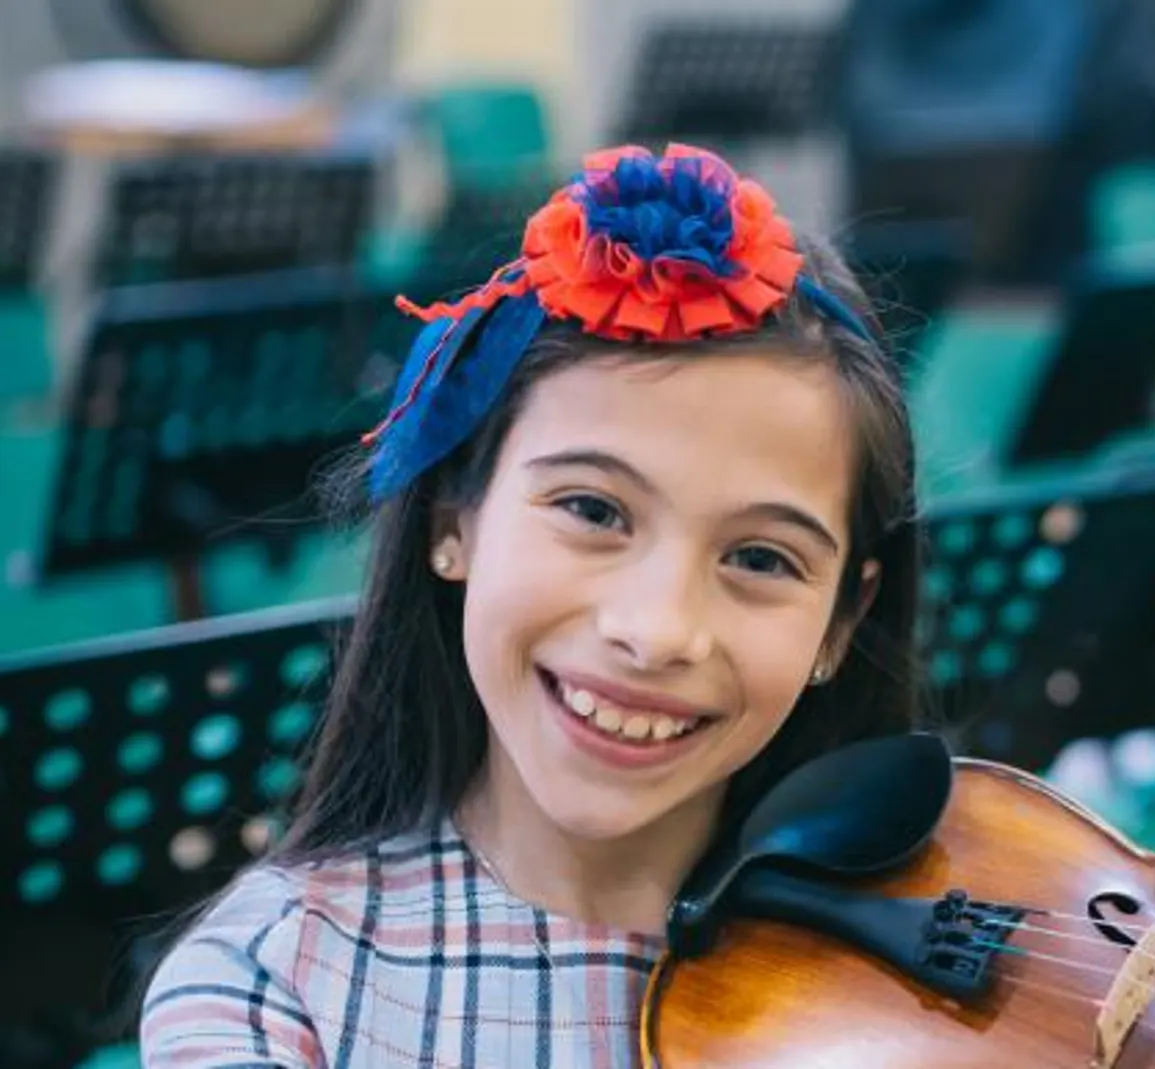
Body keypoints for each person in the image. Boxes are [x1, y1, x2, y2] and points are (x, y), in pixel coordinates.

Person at [138, 143, 923, 1067]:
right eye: (593, 510)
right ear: (452, 521)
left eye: (759, 556)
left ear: (841, 618)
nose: (657, 628)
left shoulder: (922, 966)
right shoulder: (268, 982)